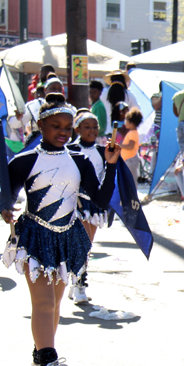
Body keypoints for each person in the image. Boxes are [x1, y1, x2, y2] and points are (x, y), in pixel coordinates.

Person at [0, 94, 119, 366]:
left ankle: (40, 364)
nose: (63, 131)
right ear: (40, 125)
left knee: (54, 306)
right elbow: (6, 195)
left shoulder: (79, 160)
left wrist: (112, 165)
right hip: (35, 236)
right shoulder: (24, 161)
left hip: (67, 236)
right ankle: (49, 361)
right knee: (43, 302)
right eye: (56, 126)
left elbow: (101, 200)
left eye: (68, 126)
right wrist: (5, 209)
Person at [69, 110, 109, 303]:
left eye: (94, 127)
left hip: (92, 205)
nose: (92, 130)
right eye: (87, 127)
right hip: (71, 204)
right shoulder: (70, 150)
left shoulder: (103, 151)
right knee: (78, 245)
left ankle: (77, 282)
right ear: (77, 129)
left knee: (86, 246)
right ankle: (77, 283)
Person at [119, 107, 143, 182]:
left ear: (131, 123)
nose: (125, 122)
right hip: (129, 159)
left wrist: (120, 145)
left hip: (131, 159)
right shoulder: (132, 132)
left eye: (126, 120)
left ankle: (133, 193)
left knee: (131, 180)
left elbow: (130, 146)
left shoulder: (132, 133)